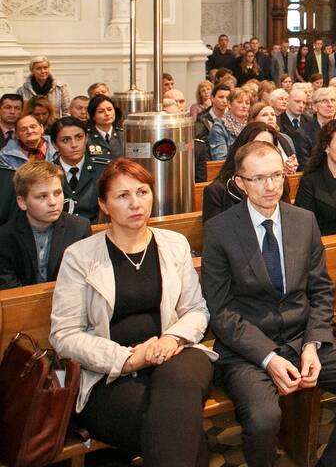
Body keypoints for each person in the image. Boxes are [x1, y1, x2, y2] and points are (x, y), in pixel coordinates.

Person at [201, 141, 336, 467]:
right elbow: (222, 311)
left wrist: (314, 343)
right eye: (258, 178)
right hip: (249, 349)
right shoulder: (220, 230)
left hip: (303, 336)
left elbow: (321, 289)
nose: (270, 186)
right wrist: (268, 357)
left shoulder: (303, 220)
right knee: (263, 419)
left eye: (276, 175)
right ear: (240, 183)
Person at [50, 159, 214, 467]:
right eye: (123, 196)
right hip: (107, 374)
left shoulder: (173, 244)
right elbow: (65, 335)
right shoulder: (80, 257)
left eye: (142, 191)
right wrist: (128, 359)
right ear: (104, 204)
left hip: (176, 356)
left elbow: (195, 309)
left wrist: (170, 340)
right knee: (178, 430)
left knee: (176, 406)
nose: (136, 203)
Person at [0, 161, 90, 288]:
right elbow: (9, 289)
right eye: (42, 196)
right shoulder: (5, 237)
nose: (53, 202)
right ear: (22, 202)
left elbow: (84, 280)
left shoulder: (79, 229)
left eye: (57, 193)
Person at [201, 123, 294, 222]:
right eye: (256, 146)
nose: (263, 152)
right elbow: (217, 232)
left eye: (269, 146)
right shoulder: (217, 191)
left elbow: (288, 221)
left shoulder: (279, 182)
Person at [51, 117, 108, 223]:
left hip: (95, 232)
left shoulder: (103, 170)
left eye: (79, 137)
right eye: (66, 140)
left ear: (86, 139)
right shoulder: (47, 173)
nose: (74, 145)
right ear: (55, 144)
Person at [249, 101, 298, 172]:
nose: (270, 118)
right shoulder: (248, 139)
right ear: (253, 120)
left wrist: (292, 164)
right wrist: (282, 168)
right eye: (265, 115)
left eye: (273, 114)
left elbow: (292, 162)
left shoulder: (285, 138)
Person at [208, 88, 252, 160]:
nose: (244, 106)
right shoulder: (219, 127)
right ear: (229, 104)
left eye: (247, 103)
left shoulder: (252, 125)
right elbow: (220, 159)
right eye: (239, 102)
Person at [277, 86, 313, 167]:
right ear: (287, 101)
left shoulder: (310, 121)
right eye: (297, 101)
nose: (301, 105)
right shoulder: (277, 121)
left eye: (304, 103)